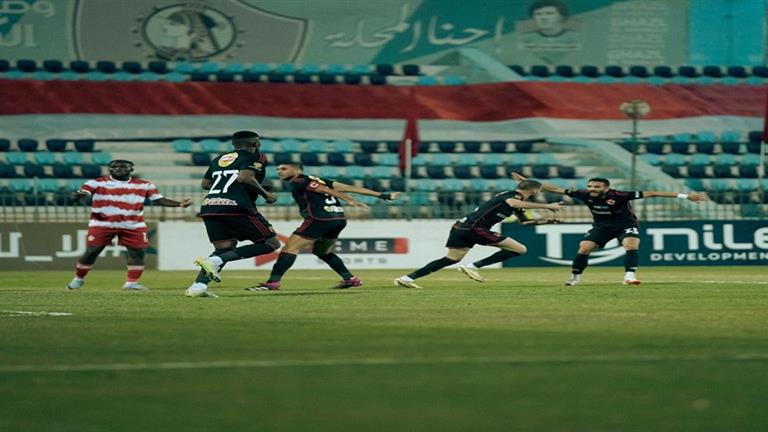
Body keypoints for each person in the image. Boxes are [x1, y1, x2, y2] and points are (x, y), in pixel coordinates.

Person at [511, 172, 709, 285]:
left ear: (606, 188)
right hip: (602, 226)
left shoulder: (620, 195)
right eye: (590, 186)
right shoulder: (583, 194)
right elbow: (555, 189)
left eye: (597, 187)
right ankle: (575, 277)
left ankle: (629, 276)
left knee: (630, 245)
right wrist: (526, 182)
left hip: (626, 224)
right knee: (584, 248)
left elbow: (652, 193)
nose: (592, 189)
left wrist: (686, 196)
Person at [249, 162, 400, 291]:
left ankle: (273, 282)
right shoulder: (319, 179)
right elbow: (348, 187)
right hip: (338, 219)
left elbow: (324, 190)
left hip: (319, 219)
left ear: (297, 170)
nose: (279, 172)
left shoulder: (299, 180)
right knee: (322, 251)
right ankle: (350, 279)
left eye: (284, 169)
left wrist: (349, 200)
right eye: (278, 169)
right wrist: (382, 195)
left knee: (289, 249)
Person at [394, 180, 562, 289]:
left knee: (451, 259)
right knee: (520, 249)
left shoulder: (516, 201)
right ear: (535, 191)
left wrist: (546, 221)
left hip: (461, 227)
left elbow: (525, 222)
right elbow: (513, 202)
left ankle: (407, 278)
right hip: (475, 228)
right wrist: (547, 206)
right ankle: (472, 267)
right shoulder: (512, 196)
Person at [67, 160, 192, 291]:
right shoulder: (95, 182)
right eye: (114, 167)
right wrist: (78, 195)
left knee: (137, 252)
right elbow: (84, 192)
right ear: (109, 169)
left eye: (122, 166)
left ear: (131, 169)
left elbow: (159, 200)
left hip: (133, 225)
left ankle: (131, 283)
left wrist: (179, 204)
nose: (118, 169)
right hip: (102, 223)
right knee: (92, 251)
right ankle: (78, 279)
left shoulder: (144, 185)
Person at [185, 130, 280, 298]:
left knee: (224, 248)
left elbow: (205, 184)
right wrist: (266, 194)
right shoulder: (256, 157)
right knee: (271, 243)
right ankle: (215, 261)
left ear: (233, 144)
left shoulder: (219, 159)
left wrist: (230, 186)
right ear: (255, 143)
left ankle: (198, 286)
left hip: (210, 206)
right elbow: (245, 178)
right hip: (236, 207)